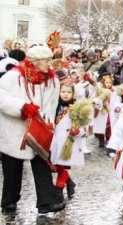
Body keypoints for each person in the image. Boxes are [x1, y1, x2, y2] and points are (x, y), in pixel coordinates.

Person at [0, 45, 65, 213]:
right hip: (16, 127)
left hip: (41, 126)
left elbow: (52, 104)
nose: (49, 64)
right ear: (34, 61)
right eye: (45, 61)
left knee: (42, 160)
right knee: (12, 166)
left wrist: (50, 123)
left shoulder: (52, 79)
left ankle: (46, 201)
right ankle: (9, 200)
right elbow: (2, 97)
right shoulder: (14, 76)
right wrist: (21, 107)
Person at [50, 80, 85, 201]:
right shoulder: (55, 107)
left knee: (64, 166)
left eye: (68, 92)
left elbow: (83, 127)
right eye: (63, 91)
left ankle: (58, 190)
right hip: (55, 141)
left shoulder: (76, 108)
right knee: (57, 165)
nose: (65, 94)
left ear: (73, 93)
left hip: (69, 143)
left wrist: (78, 131)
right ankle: (70, 183)